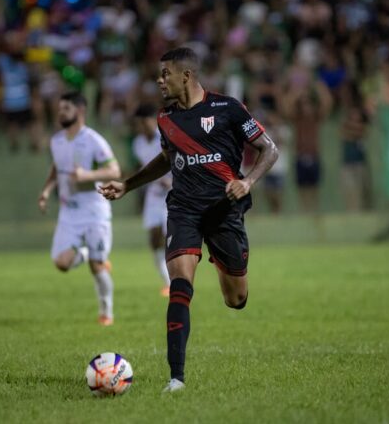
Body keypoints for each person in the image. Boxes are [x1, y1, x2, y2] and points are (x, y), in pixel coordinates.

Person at [99, 47, 278, 393]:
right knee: (180, 285)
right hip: (183, 210)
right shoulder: (166, 119)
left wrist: (248, 181)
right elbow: (167, 159)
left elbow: (269, 149)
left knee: (236, 299)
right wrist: (127, 185)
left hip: (224, 210)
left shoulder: (227, 109)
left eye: (165, 74)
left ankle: (223, 264)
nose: (159, 80)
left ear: (187, 75)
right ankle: (176, 378)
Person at [38, 92, 121, 326]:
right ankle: (85, 253)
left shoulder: (94, 140)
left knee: (97, 267)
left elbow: (114, 171)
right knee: (61, 263)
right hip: (69, 212)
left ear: (80, 111)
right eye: (60, 108)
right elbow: (57, 167)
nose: (60, 112)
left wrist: (88, 175)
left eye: (66, 108)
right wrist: (46, 190)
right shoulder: (56, 141)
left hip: (95, 211)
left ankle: (107, 312)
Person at [131, 104, 172, 296]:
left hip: (173, 193)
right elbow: (144, 168)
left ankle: (177, 280)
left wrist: (171, 182)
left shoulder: (165, 137)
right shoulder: (137, 143)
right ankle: (168, 282)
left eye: (142, 123)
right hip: (153, 195)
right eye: (137, 124)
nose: (140, 127)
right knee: (154, 239)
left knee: (168, 238)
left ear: (151, 121)